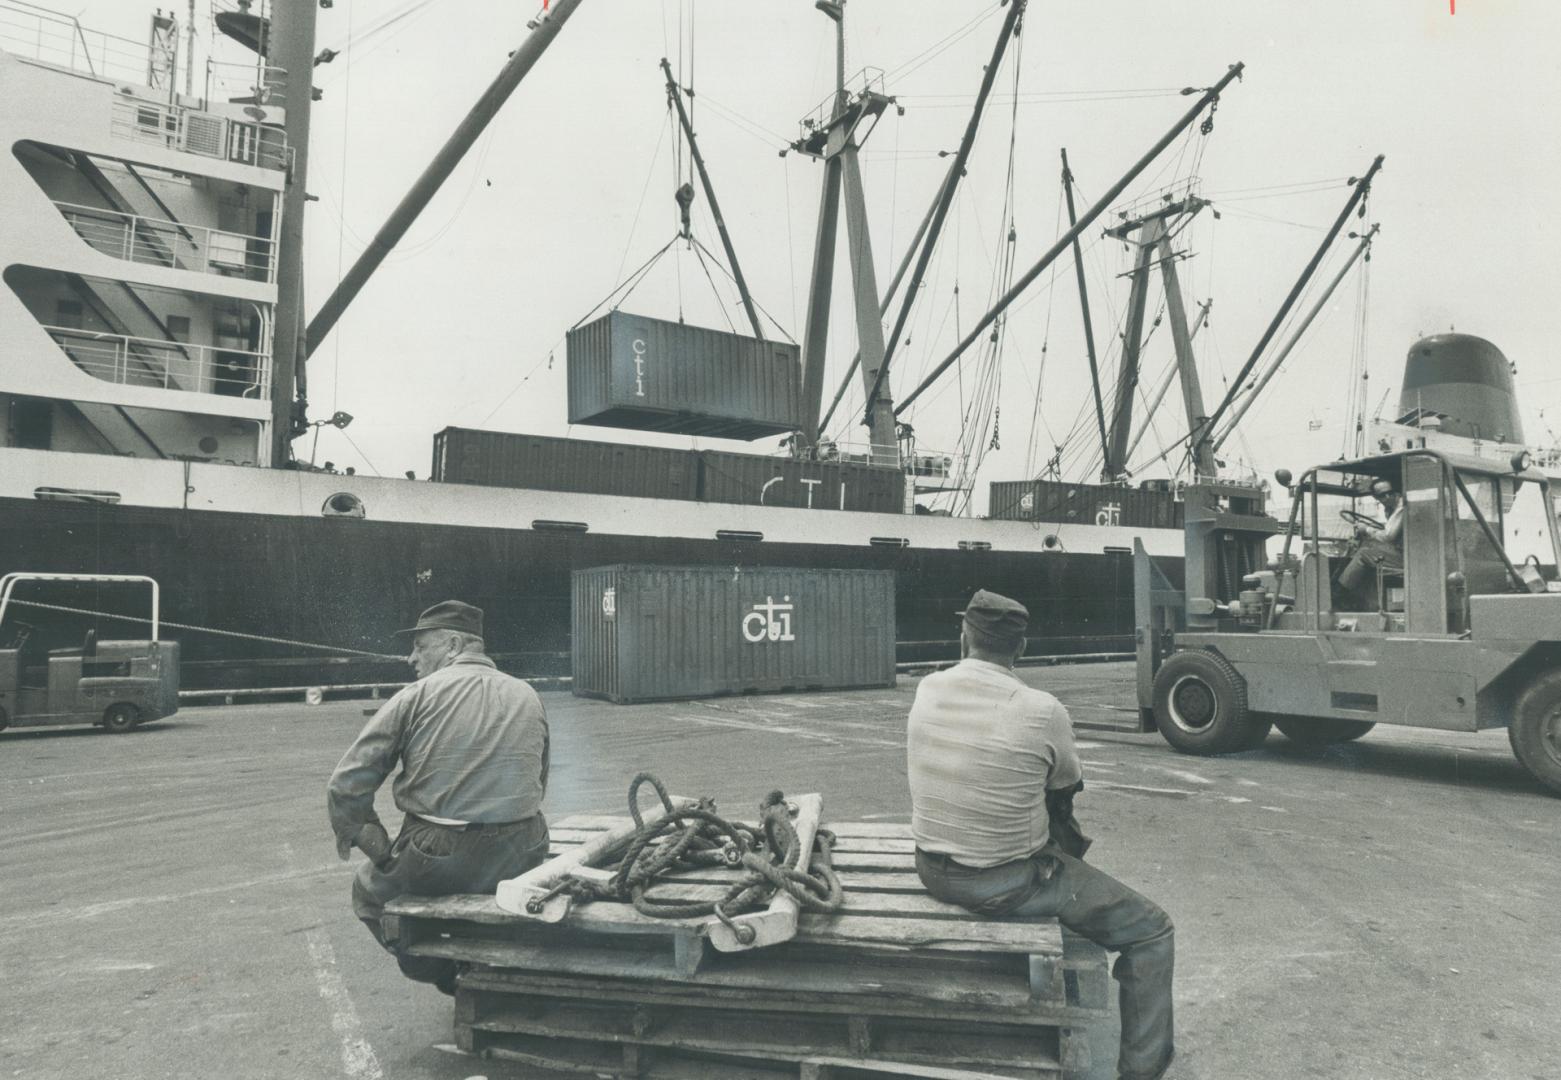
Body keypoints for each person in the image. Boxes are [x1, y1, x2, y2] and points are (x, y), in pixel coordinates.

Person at [907, 589, 1176, 1080]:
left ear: (963, 636)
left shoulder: (927, 687)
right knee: (1153, 930)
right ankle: (1141, 1072)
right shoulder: (1041, 707)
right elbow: (1067, 783)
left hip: (930, 869)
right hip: (1004, 882)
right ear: (1021, 649)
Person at [327, 600, 550, 992]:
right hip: (525, 848)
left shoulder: (416, 696)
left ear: (451, 645)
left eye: (421, 646)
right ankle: (491, 962)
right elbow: (540, 779)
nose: (411, 657)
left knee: (367, 893)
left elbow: (345, 785)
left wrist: (382, 854)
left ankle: (448, 975)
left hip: (440, 854)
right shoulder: (528, 694)